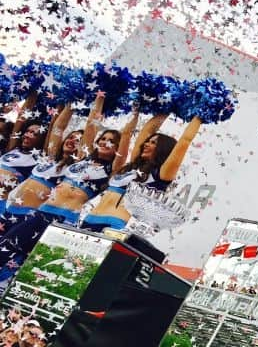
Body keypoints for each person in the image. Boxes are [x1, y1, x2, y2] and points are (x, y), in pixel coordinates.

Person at [0, 94, 124, 283]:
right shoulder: (67, 158)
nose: (104, 142)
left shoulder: (108, 170)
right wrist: (73, 98)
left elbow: (94, 128)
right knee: (5, 248)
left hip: (63, 220)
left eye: (111, 141)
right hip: (36, 212)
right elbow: (59, 128)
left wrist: (108, 100)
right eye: (103, 138)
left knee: (31, 264)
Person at [80, 113, 200, 232]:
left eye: (154, 143)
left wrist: (201, 115)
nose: (146, 144)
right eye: (148, 141)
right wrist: (166, 110)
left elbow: (185, 141)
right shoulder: (134, 166)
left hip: (115, 224)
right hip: (90, 218)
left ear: (163, 149)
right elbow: (146, 131)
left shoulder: (161, 174)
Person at [3, 102, 83, 221]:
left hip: (26, 215)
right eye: (70, 137)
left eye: (78, 141)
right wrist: (68, 99)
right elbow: (57, 128)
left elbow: (54, 127)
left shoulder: (75, 166)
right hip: (9, 209)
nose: (72, 141)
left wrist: (74, 101)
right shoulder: (49, 158)